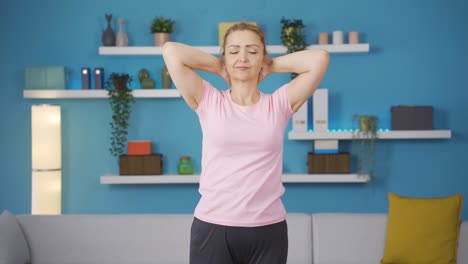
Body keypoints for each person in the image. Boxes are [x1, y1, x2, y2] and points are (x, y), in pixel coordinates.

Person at [162, 22, 329, 264]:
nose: (243, 57)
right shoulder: (208, 99)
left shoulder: (279, 103)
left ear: (263, 56)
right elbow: (171, 50)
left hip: (268, 229)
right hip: (213, 226)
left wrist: (269, 65)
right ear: (224, 57)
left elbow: (319, 59)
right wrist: (221, 67)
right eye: (233, 51)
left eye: (252, 51)